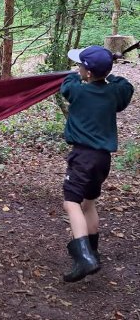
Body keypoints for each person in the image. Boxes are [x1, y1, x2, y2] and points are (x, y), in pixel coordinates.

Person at [60, 45, 134, 282]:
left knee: (71, 203)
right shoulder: (114, 94)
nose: (77, 68)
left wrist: (79, 72)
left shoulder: (77, 92)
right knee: (89, 204)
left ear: (88, 72)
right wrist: (109, 69)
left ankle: (84, 258)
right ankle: (93, 253)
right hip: (102, 160)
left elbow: (68, 84)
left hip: (82, 157)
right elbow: (126, 86)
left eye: (80, 64)